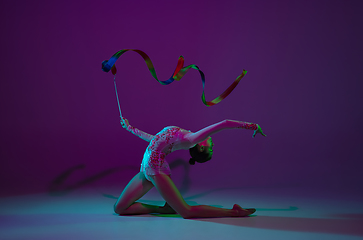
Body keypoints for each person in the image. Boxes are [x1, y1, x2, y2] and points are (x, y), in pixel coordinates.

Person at [114, 118, 266, 218]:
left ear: (200, 147)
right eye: (212, 147)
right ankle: (164, 209)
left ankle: (234, 212)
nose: (213, 144)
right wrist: (129, 127)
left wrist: (253, 126)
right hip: (146, 171)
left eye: (210, 148)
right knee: (119, 208)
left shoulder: (191, 139)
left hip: (156, 170)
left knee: (186, 212)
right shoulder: (185, 136)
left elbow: (224, 123)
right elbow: (154, 140)